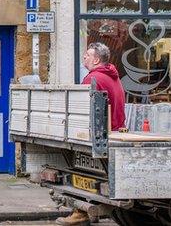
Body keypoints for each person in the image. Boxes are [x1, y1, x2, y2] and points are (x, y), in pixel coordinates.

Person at [57, 42, 126, 226]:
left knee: (82, 173)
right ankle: (84, 211)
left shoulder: (93, 78)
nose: (84, 58)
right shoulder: (113, 76)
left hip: (100, 134)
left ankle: (80, 211)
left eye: (87, 55)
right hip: (116, 131)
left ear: (96, 59)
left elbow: (84, 110)